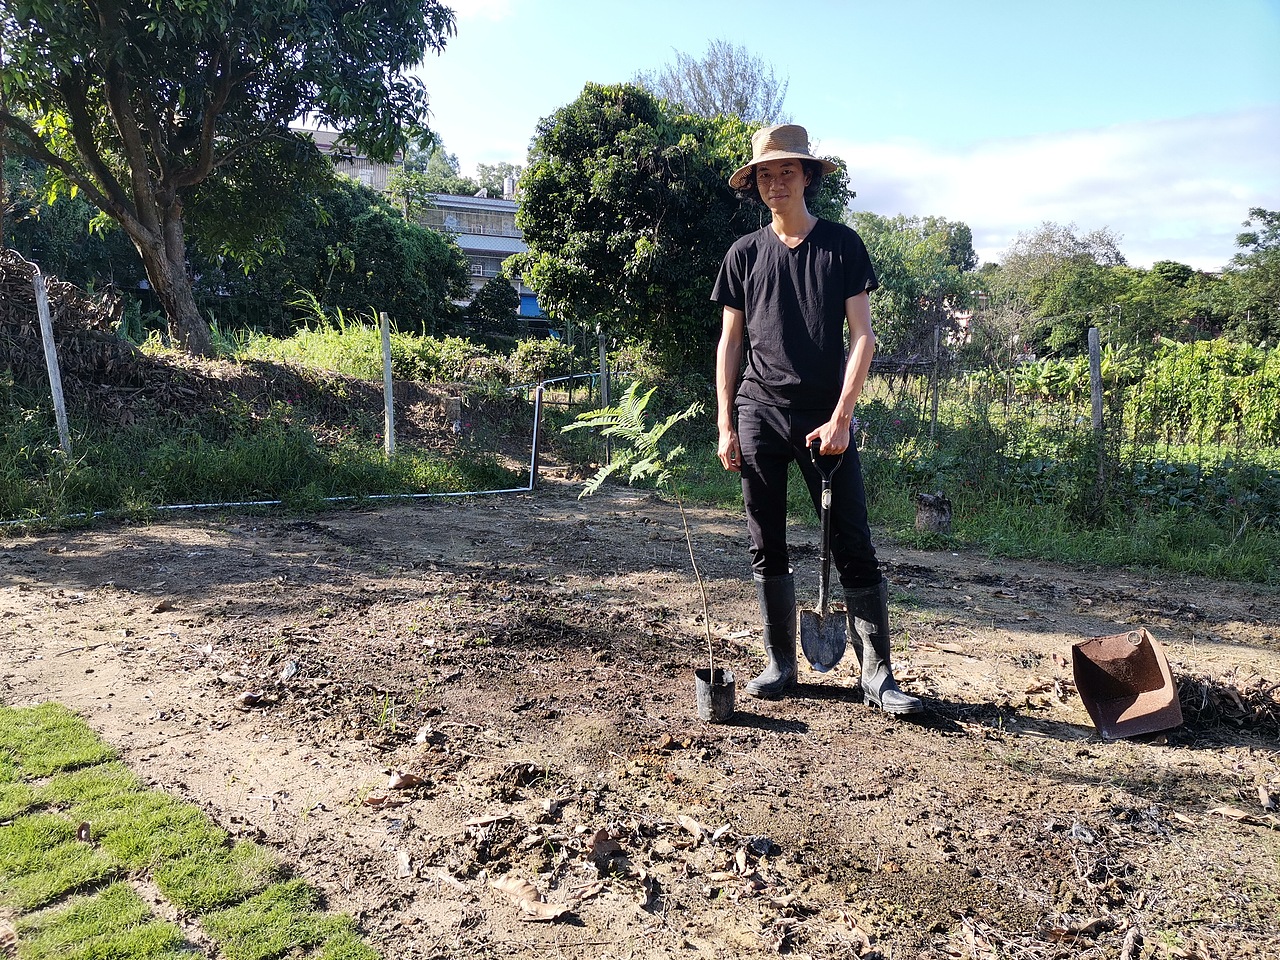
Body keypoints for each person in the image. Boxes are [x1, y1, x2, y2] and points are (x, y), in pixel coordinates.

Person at [710, 124, 922, 716]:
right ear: (755, 184)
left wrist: (842, 417)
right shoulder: (744, 254)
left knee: (852, 537)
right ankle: (781, 664)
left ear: (807, 176)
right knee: (765, 540)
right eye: (765, 174)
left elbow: (863, 336)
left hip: (825, 420)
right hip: (758, 412)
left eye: (787, 171)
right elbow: (731, 342)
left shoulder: (841, 247)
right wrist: (726, 423)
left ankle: (877, 675)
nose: (775, 182)